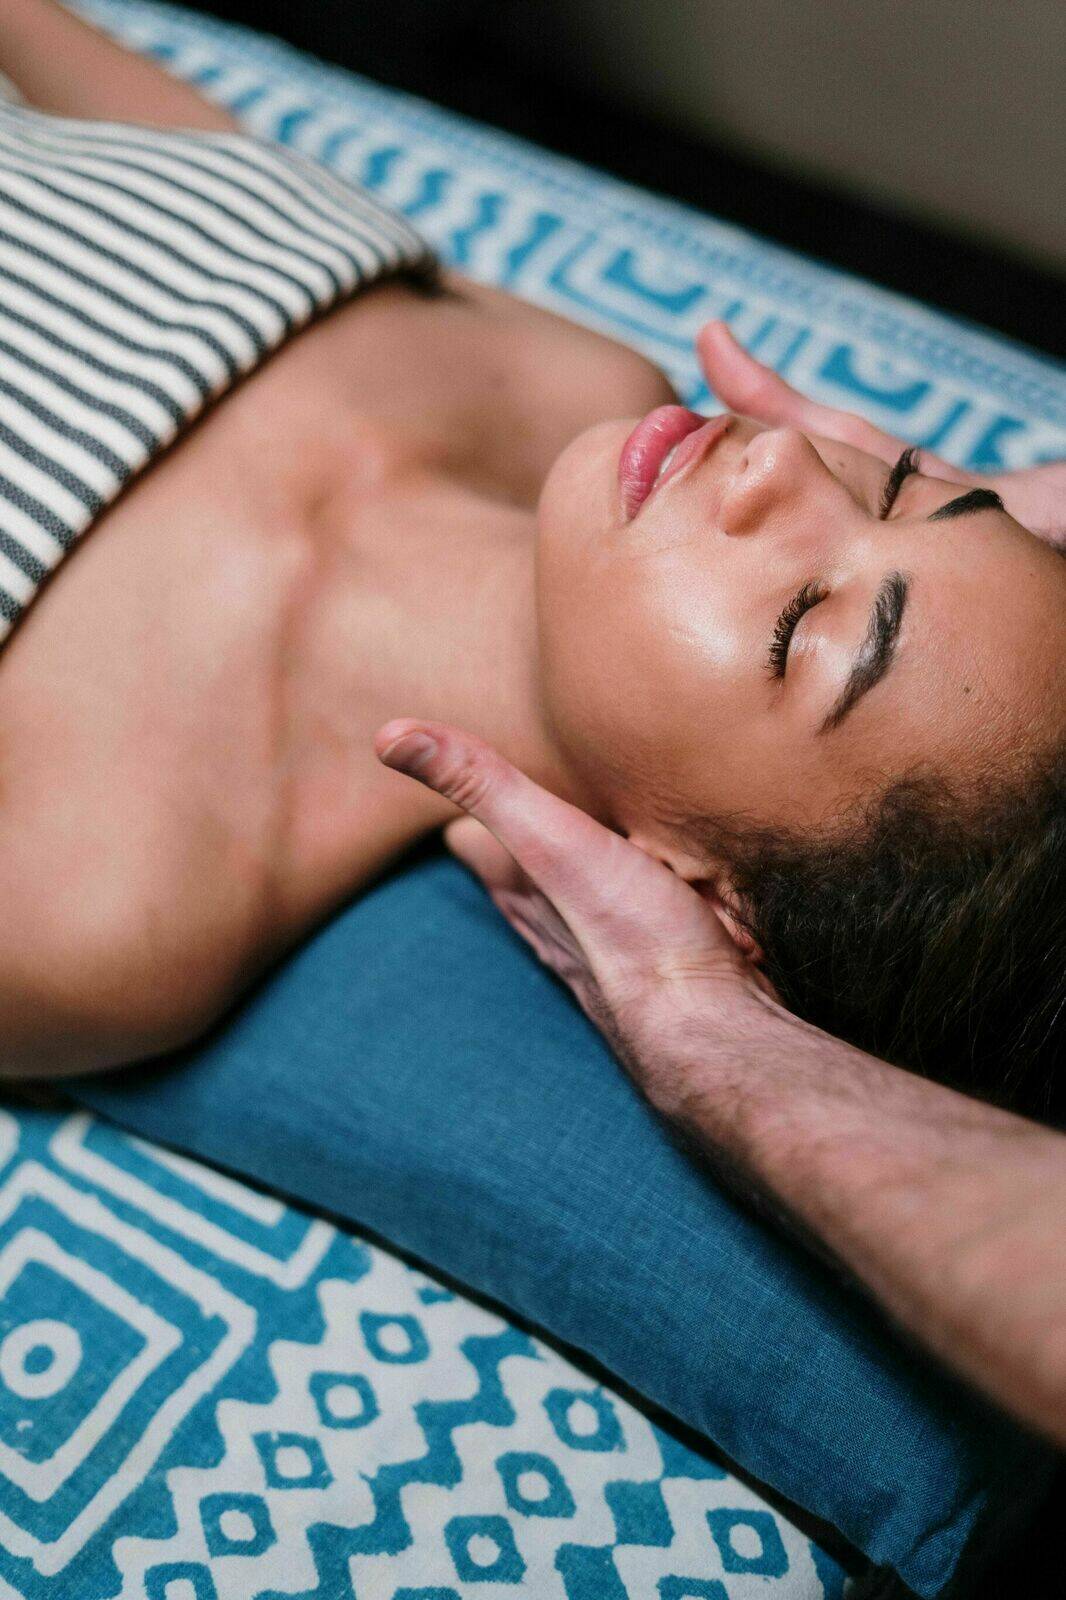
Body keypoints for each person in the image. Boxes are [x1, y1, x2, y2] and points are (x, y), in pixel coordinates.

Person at [0, 0, 1064, 1143]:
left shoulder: (112, 904)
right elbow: (205, 170)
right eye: (897, 487)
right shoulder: (581, 383)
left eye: (803, 622)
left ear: (703, 895)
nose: (786, 461)